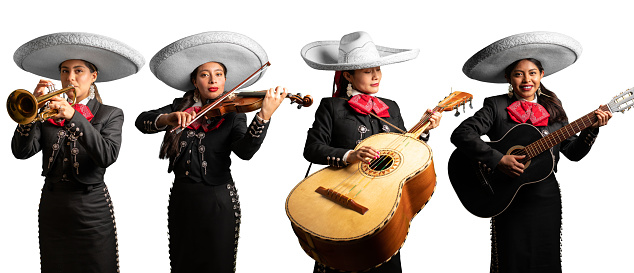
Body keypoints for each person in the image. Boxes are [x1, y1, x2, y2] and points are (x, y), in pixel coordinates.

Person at [451, 31, 612, 273]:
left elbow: (572, 152)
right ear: (508, 77)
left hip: (545, 197)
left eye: (533, 73)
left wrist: (592, 130)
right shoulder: (496, 106)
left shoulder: (554, 109)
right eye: (518, 74)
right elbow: (462, 134)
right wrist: (497, 159)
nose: (526, 80)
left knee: (545, 259)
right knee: (510, 259)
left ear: (541, 75)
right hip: (506, 195)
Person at [135, 31, 287, 273]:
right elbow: (141, 121)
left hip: (219, 202)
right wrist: (168, 118)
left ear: (226, 80)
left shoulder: (234, 112)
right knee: (183, 264)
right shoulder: (179, 107)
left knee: (219, 265)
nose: (212, 80)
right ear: (195, 81)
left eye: (218, 74)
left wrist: (263, 116)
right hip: (182, 200)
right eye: (204, 75)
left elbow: (245, 151)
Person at [300, 31, 442, 273]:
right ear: (347, 75)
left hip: (382, 205)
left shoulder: (391, 107)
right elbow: (312, 149)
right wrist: (350, 155)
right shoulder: (331, 107)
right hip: (342, 199)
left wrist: (425, 128)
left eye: (377, 69)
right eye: (367, 71)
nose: (376, 75)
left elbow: (403, 151)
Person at [11, 32, 145, 272]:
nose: (69, 78)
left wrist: (74, 116)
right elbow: (21, 152)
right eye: (64, 71)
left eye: (78, 71)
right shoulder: (47, 113)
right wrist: (30, 115)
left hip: (91, 209)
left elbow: (107, 156)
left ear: (93, 76)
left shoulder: (111, 114)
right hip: (53, 207)